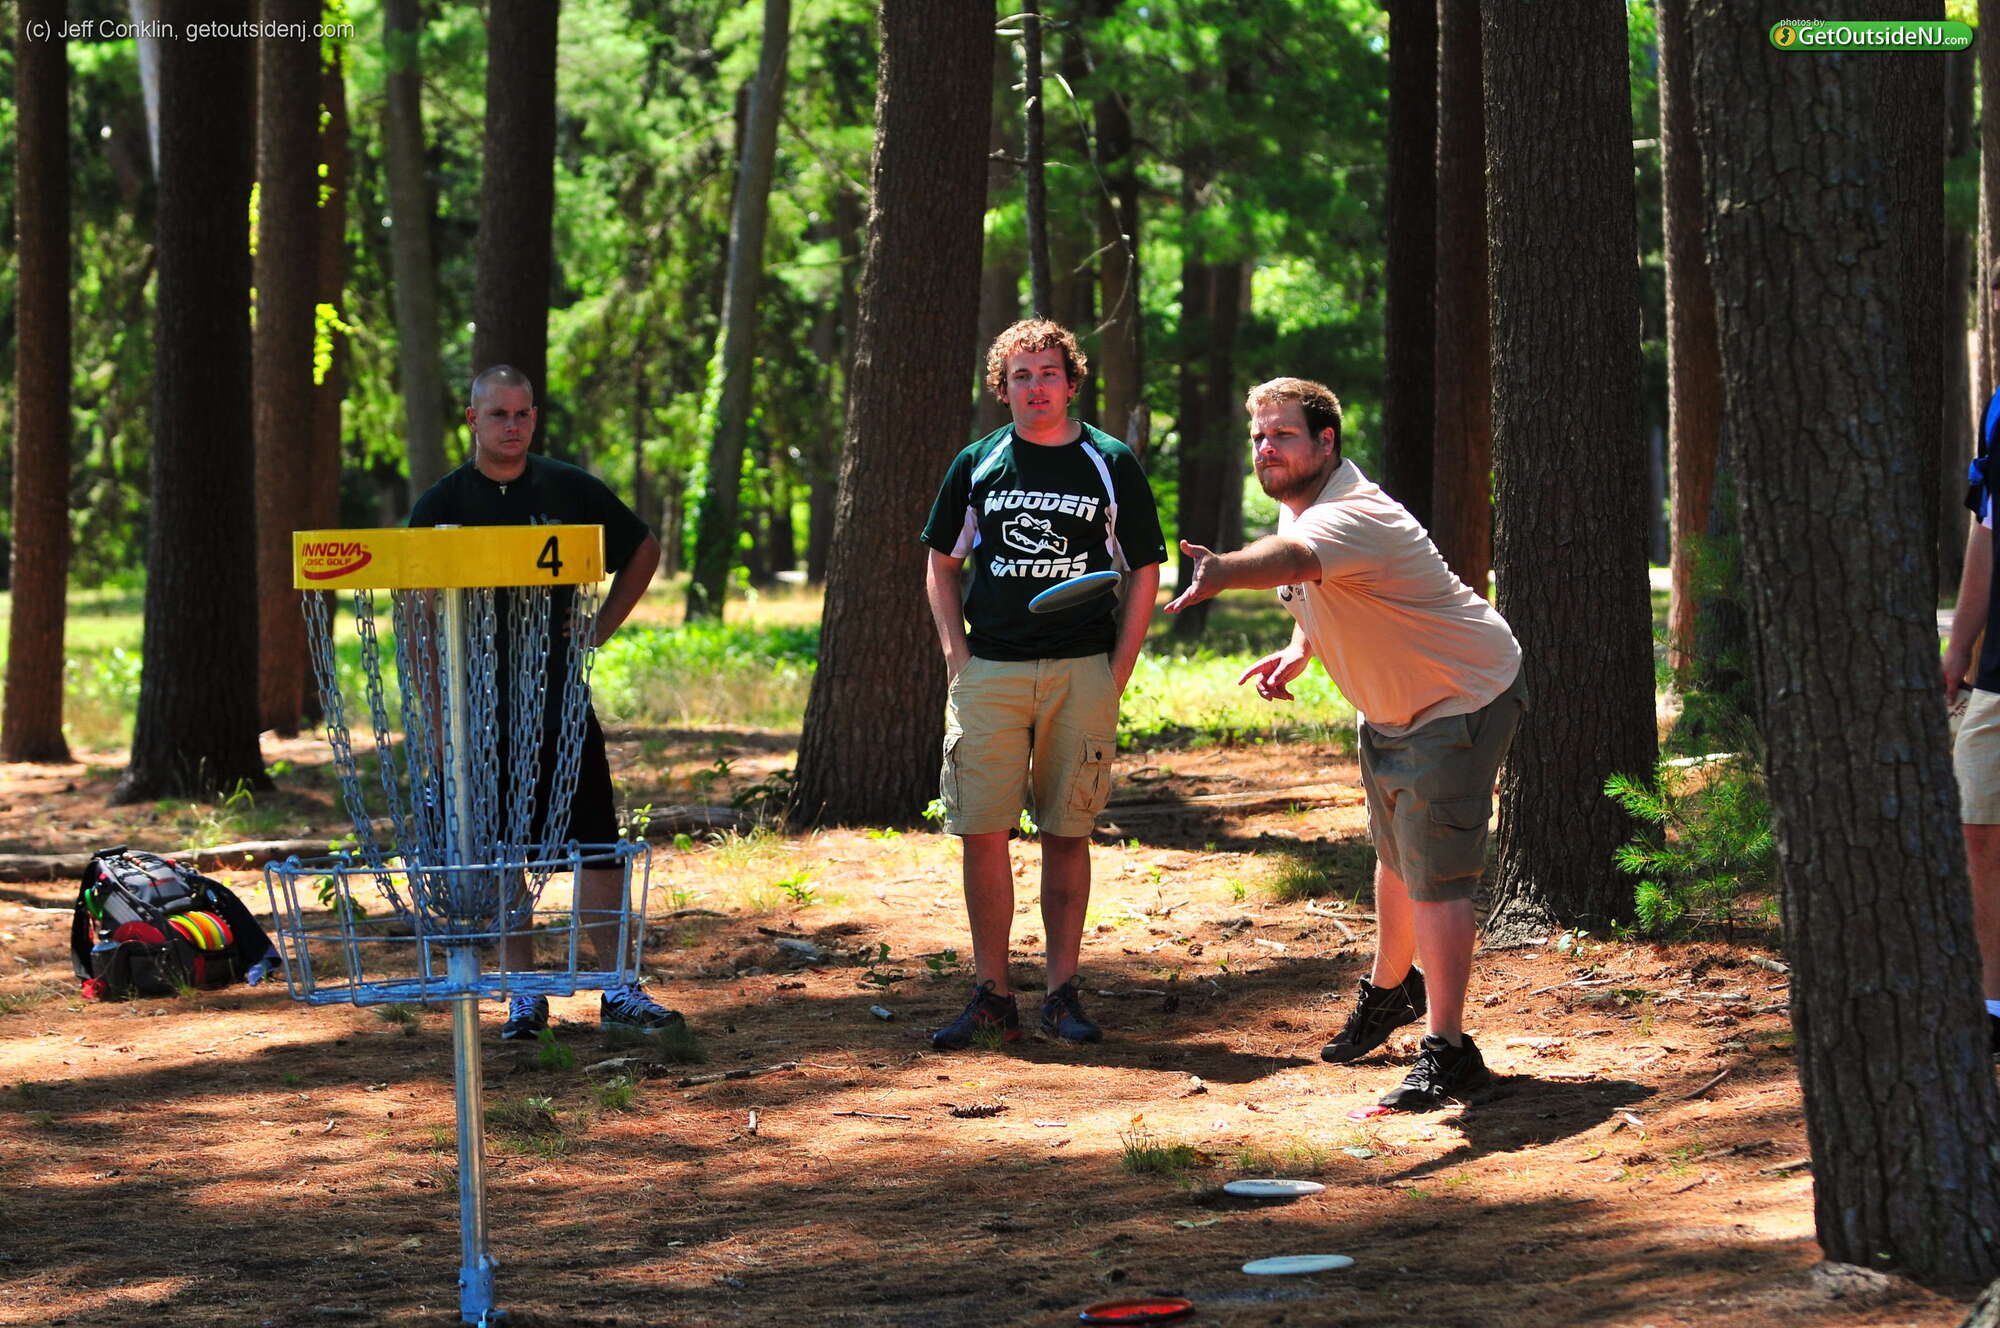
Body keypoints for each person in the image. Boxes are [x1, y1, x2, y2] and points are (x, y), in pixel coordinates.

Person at [1165, 377, 1524, 1111]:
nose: (1266, 449)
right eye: (1258, 437)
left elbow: (1292, 560)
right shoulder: (1299, 502)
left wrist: (1222, 571)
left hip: (1457, 696)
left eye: (1283, 435)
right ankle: (1391, 991)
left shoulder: (1352, 512)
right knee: (1396, 855)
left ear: (1326, 442)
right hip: (1390, 708)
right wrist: (1301, 647)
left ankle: (1450, 1050)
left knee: (1437, 876)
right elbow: (1318, 587)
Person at [409, 364, 676, 1042]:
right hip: (479, 713)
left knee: (598, 849)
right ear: (472, 419)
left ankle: (619, 988)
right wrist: (437, 720)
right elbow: (414, 618)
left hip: (560, 705)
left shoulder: (568, 488)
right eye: (499, 414)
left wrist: (600, 627)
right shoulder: (443, 503)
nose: (513, 425)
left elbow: (643, 548)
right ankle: (524, 996)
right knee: (502, 854)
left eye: (523, 413)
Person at [920, 319, 1166, 1049]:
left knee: (1068, 831)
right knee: (982, 832)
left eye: (1048, 373)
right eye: (1020, 376)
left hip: (1081, 671)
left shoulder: (1109, 461)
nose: (1035, 387)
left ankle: (1062, 994)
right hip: (989, 672)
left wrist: (1117, 671)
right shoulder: (979, 462)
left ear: (1071, 381)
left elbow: (1144, 568)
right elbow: (941, 565)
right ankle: (992, 994)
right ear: (1003, 388)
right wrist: (957, 658)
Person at [1940, 262, 2000, 1057]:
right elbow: (1988, 531)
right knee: (1979, 825)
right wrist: (1958, 647)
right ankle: (1992, 1004)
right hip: (1999, 670)